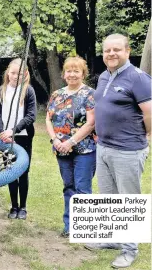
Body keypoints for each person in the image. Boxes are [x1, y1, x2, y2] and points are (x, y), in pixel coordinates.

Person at [85, 34, 151, 269]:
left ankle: (129, 250)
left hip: (128, 151)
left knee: (128, 200)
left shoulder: (138, 78)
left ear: (127, 51)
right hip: (103, 147)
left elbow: (149, 113)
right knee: (109, 197)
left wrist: (145, 134)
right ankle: (111, 239)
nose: (111, 54)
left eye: (116, 50)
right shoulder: (104, 76)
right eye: (107, 51)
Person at [46, 56, 96, 238]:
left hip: (84, 149)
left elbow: (91, 123)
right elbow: (48, 118)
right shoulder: (57, 94)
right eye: (69, 71)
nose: (72, 74)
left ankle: (83, 229)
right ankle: (69, 226)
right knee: (68, 187)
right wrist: (55, 140)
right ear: (64, 73)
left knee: (82, 188)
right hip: (61, 149)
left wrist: (70, 142)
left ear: (83, 73)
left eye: (77, 71)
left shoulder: (90, 94)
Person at [0, 58, 36, 220]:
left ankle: (23, 207)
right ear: (8, 73)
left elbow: (31, 115)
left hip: (23, 136)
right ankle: (14, 206)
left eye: (19, 74)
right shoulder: (1, 90)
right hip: (6, 137)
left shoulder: (28, 91)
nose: (15, 76)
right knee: (10, 171)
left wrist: (14, 130)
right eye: (12, 73)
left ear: (25, 74)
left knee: (23, 172)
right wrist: (1, 131)